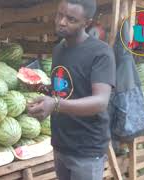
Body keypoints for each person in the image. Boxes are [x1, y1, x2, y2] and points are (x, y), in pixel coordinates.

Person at [27, 0, 116, 179]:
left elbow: (100, 102)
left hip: (87, 149)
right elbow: (66, 89)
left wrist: (55, 104)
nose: (61, 22)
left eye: (71, 19)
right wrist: (43, 88)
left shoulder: (101, 53)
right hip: (61, 143)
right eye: (59, 15)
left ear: (87, 22)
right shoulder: (59, 49)